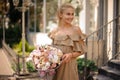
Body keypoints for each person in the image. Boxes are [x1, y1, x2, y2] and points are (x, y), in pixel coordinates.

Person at [48, 3, 87, 80]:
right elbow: (52, 50)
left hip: (69, 67)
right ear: (60, 15)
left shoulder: (76, 30)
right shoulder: (55, 31)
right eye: (68, 14)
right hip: (55, 68)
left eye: (72, 14)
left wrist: (71, 55)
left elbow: (82, 50)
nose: (71, 17)